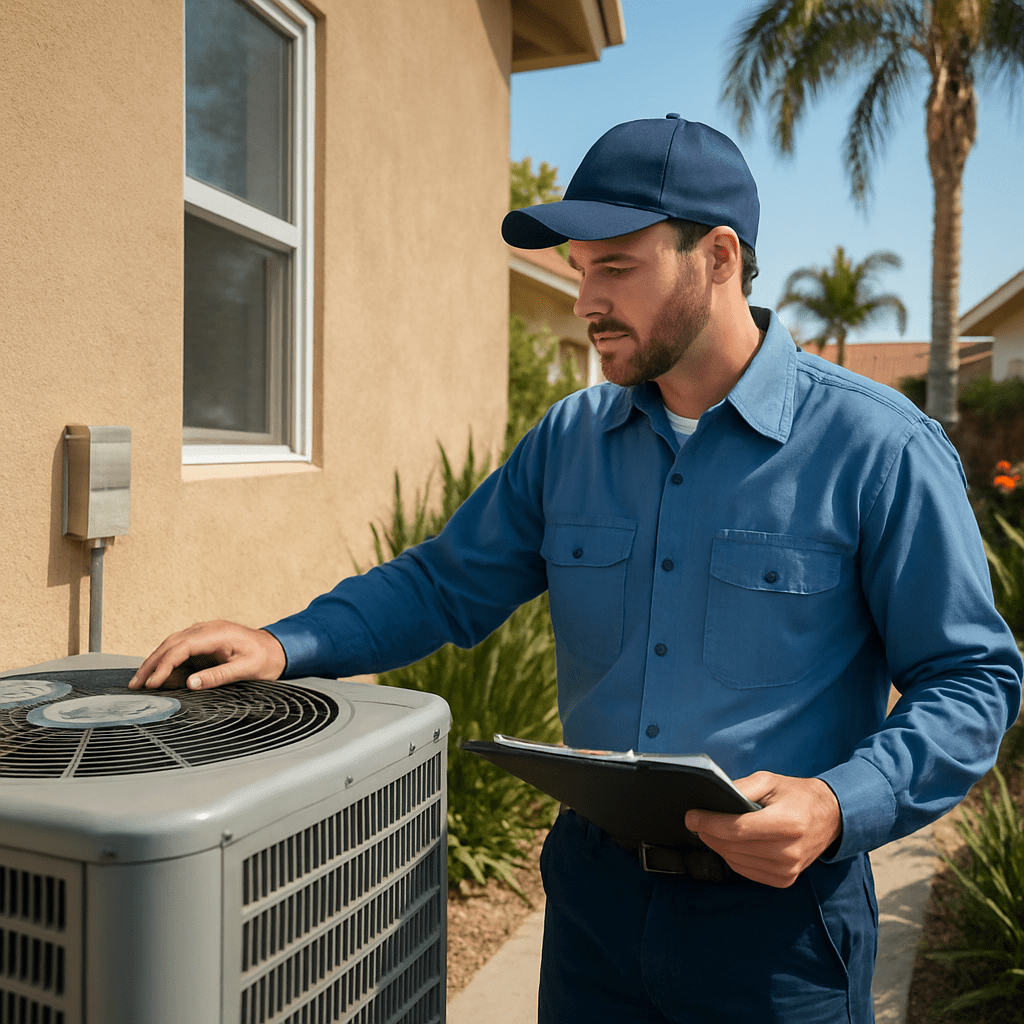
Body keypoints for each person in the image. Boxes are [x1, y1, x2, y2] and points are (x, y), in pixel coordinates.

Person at [131, 115, 1022, 1023]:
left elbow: (972, 679)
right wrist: (283, 644)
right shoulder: (568, 442)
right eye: (580, 268)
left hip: (780, 931)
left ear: (717, 257)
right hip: (595, 905)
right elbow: (445, 582)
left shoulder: (879, 449)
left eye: (616, 267)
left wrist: (838, 805)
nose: (584, 299)